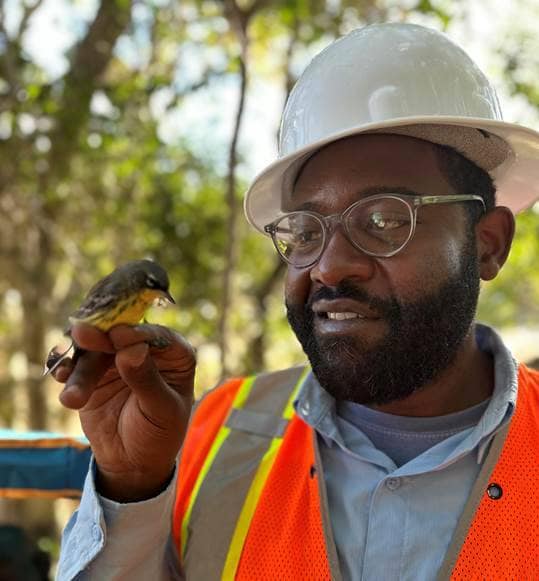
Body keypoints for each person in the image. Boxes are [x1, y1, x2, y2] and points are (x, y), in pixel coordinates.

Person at [55, 23, 539, 580]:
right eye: (306, 233)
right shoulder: (208, 435)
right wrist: (133, 489)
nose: (329, 266)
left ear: (488, 243)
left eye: (384, 220)